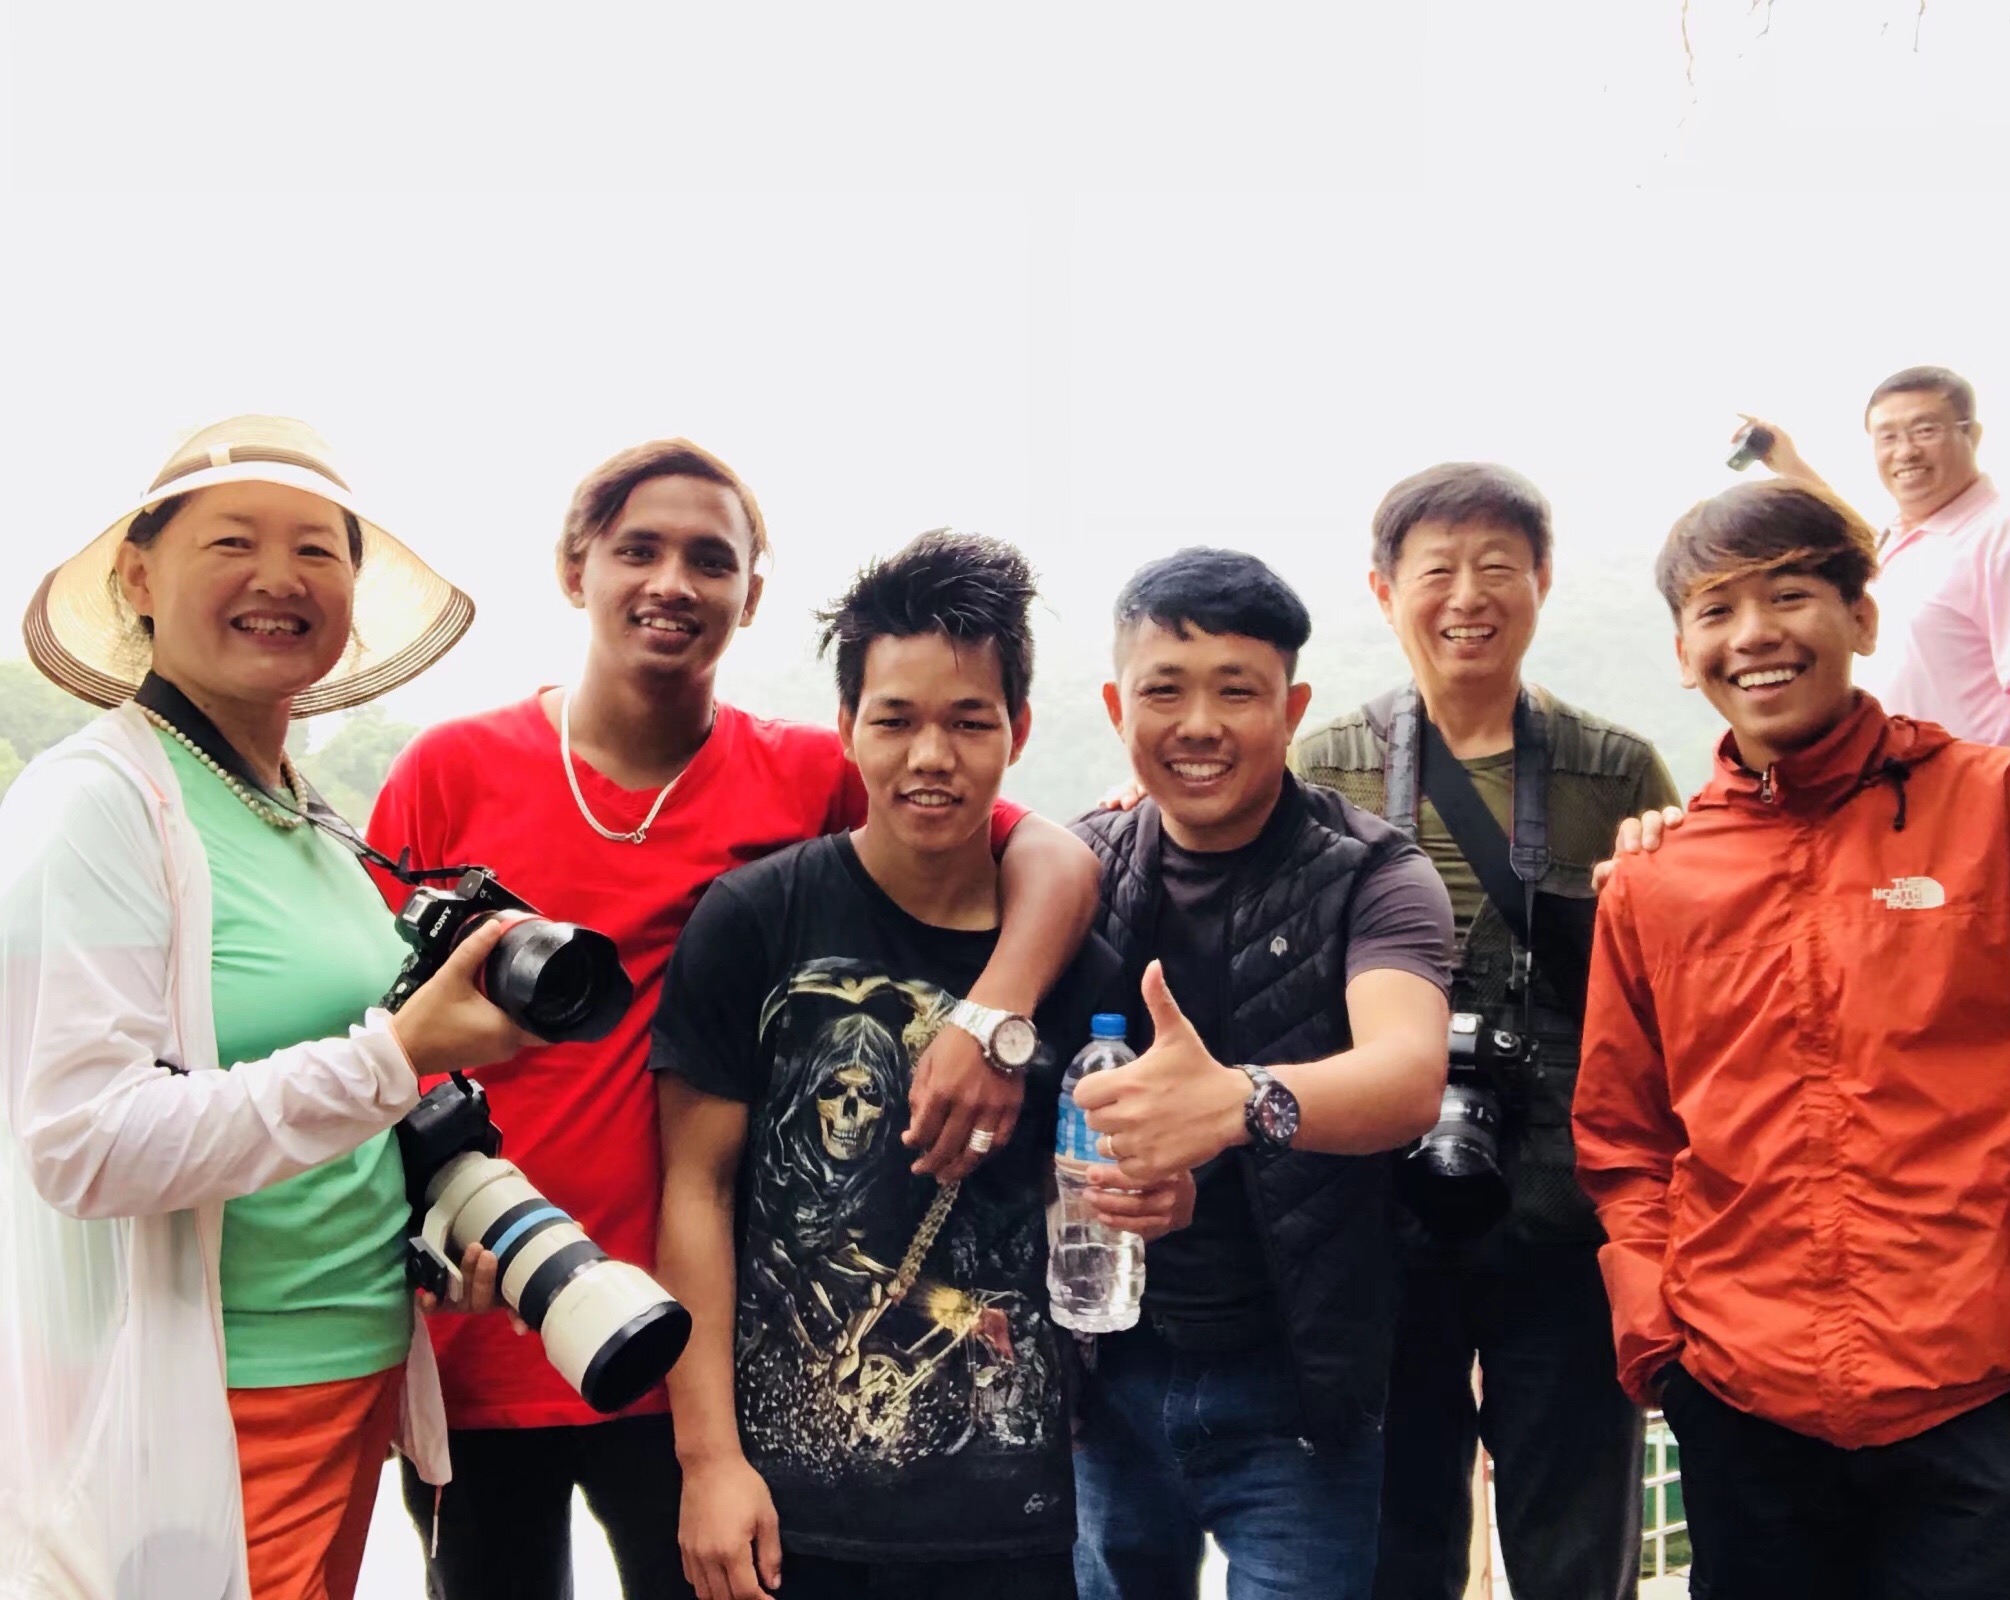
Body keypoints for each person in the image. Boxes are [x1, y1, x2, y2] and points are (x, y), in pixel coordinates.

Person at [368, 450, 1099, 1599]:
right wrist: (404, 1238)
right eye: (639, 549)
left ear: (750, 594)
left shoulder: (804, 771)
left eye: (710, 559)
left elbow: (1046, 852)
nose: (673, 581)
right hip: (484, 1321)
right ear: (574, 567)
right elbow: (371, 1031)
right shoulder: (450, 770)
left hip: (683, 1346)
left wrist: (993, 1012)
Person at [1, 416, 530, 1600]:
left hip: (349, 1368)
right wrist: (395, 1055)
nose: (279, 577)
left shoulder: (305, 811)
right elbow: (82, 1143)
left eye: (317, 551)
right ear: (140, 578)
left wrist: (430, 1231)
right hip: (209, 1398)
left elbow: (317, 1111)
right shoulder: (94, 804)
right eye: (232, 541)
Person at [1574, 478, 2010, 1599]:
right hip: (1741, 1402)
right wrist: (1661, 1343)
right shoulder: (1656, 879)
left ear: (1863, 619)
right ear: (1683, 653)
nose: (1754, 635)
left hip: (1985, 1399)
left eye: (1791, 595)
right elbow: (1623, 1133)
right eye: (1717, 611)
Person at [647, 531, 1190, 1600]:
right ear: (847, 726)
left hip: (1008, 1511)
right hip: (786, 1511)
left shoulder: (1080, 970)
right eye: (895, 719)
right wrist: (707, 1462)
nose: (930, 755)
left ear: (1018, 731)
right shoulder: (755, 921)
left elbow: (1098, 1186)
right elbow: (695, 1190)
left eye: (968, 721)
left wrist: (1162, 1195)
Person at [1293, 464, 1676, 1600]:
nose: (1468, 596)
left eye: (1498, 566)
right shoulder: (1323, 765)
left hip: (1562, 1197)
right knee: (1394, 1528)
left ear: (1542, 582)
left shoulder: (1615, 769)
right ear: (1384, 590)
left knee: (1575, 1530)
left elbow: (1670, 983)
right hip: (1378, 1194)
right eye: (1438, 570)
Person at [1068, 548, 1456, 1600]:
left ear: (1292, 710)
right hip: (1108, 1376)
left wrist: (1241, 1102)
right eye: (1164, 691)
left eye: (1236, 692)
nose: (1198, 725)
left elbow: (1406, 1074)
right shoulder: (1073, 866)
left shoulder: (1376, 875)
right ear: (1116, 707)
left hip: (1298, 1392)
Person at [1734, 365, 2010, 761]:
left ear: (1972, 435)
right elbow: (1853, 532)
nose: (1905, 451)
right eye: (1888, 437)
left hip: (1971, 790)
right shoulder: (1902, 540)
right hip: (1892, 790)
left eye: (1925, 430)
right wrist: (1789, 464)